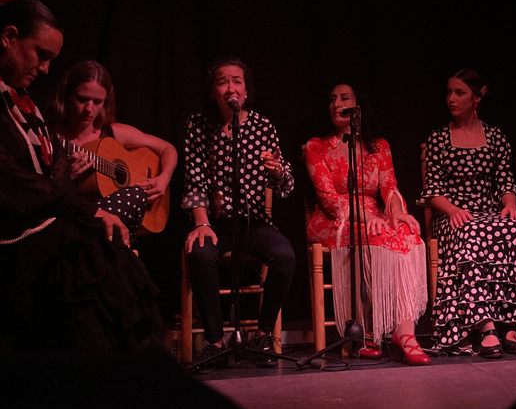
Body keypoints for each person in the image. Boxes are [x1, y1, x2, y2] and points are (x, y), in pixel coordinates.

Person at [0, 0, 162, 354]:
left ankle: (124, 369)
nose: (44, 69)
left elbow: (53, 172)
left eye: (50, 60)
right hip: (15, 237)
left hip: (44, 221)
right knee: (96, 251)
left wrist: (70, 186)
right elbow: (13, 180)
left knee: (102, 248)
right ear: (8, 37)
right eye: (41, 55)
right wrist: (88, 207)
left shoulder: (22, 105)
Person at [418, 69, 516, 358]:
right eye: (449, 92)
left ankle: (511, 324)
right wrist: (454, 209)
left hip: (488, 213)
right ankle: (487, 327)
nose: (452, 99)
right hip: (454, 215)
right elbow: (433, 190)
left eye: (459, 92)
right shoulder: (438, 139)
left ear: (476, 97)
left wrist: (509, 205)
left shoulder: (494, 136)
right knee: (473, 231)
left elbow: (505, 182)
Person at [305, 83, 431, 365]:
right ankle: (366, 331)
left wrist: (397, 213)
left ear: (358, 106)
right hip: (333, 220)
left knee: (407, 233)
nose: (336, 103)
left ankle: (404, 332)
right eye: (332, 99)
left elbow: (389, 187)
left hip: (374, 217)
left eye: (344, 98)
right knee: (374, 236)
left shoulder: (378, 146)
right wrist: (370, 218)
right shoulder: (317, 146)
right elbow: (330, 201)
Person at [183, 57, 295, 370]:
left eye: (237, 81)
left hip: (254, 221)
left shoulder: (263, 126)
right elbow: (194, 180)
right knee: (200, 252)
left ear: (246, 91)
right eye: (223, 81)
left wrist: (277, 171)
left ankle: (261, 336)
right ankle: (216, 342)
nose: (230, 87)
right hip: (215, 222)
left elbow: (286, 184)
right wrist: (201, 223)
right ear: (212, 91)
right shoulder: (198, 125)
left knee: (285, 257)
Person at [49, 60, 178, 239]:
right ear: (67, 95)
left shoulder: (113, 132)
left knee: (134, 196)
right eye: (82, 99)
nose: (89, 109)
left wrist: (163, 179)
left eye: (98, 102)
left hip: (114, 227)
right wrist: (65, 178)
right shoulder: (51, 139)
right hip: (76, 226)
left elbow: (168, 148)